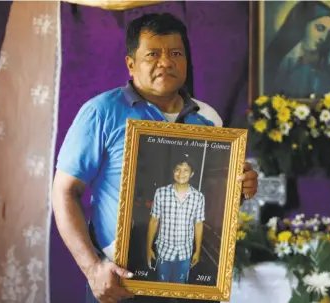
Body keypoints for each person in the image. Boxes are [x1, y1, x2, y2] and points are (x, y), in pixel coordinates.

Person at [52, 12, 258, 303]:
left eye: (176, 53)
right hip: (122, 284)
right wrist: (93, 269)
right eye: (153, 54)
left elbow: (211, 200)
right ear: (131, 64)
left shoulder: (208, 117)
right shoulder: (101, 112)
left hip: (191, 283)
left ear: (187, 61)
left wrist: (241, 188)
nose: (166, 62)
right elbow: (64, 191)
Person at [264, 1, 330, 99]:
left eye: (329, 34)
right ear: (303, 25)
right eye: (320, 28)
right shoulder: (274, 61)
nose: (324, 38)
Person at [146, 154, 204, 284]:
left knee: (179, 286)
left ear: (192, 173)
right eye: (178, 169)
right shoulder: (160, 193)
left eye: (186, 170)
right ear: (173, 172)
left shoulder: (198, 197)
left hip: (185, 252)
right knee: (161, 286)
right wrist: (148, 248)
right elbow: (154, 221)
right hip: (164, 251)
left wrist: (198, 251)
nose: (181, 173)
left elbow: (198, 224)